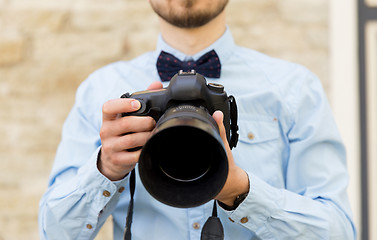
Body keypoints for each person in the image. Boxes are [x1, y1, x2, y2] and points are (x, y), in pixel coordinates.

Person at [39, 0, 356, 239]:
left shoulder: (294, 89)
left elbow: (339, 230)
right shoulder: (101, 92)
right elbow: (53, 232)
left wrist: (242, 192)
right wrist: (106, 169)